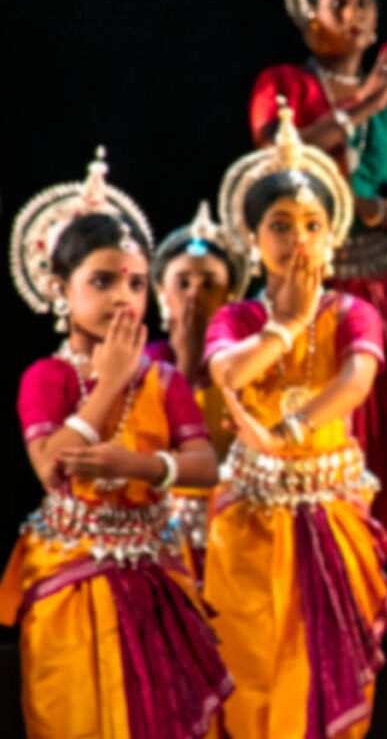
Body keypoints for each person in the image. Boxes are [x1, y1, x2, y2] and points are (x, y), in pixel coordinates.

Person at [0, 149, 231, 738]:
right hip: (68, 578)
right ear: (59, 288)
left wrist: (135, 464)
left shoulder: (164, 380)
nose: (123, 297)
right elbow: (51, 467)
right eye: (101, 281)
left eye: (134, 282)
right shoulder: (45, 379)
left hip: (156, 572)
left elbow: (204, 467)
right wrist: (110, 382)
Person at [203, 102, 387, 738]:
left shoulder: (352, 314)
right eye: (280, 225)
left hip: (331, 510)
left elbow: (356, 383)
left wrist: (286, 431)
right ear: (252, 239)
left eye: (312, 224)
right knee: (253, 662)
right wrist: (286, 324)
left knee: (329, 666)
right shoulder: (235, 320)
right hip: (249, 521)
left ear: (331, 235)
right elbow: (229, 375)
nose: (298, 239)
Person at [251, 0, 387, 554]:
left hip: (378, 284)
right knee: (319, 418)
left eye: (364, 3)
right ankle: (320, 555)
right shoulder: (285, 85)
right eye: (341, 2)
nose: (355, 15)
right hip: (305, 286)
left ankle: (377, 569)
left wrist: (370, 209)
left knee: (386, 427)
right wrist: (359, 109)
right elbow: (273, 159)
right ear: (308, 13)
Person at [148, 201, 251, 578]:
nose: (195, 294)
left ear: (230, 298)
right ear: (161, 292)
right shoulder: (143, 363)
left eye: (210, 284)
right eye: (183, 282)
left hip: (231, 531)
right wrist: (187, 367)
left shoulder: (245, 366)